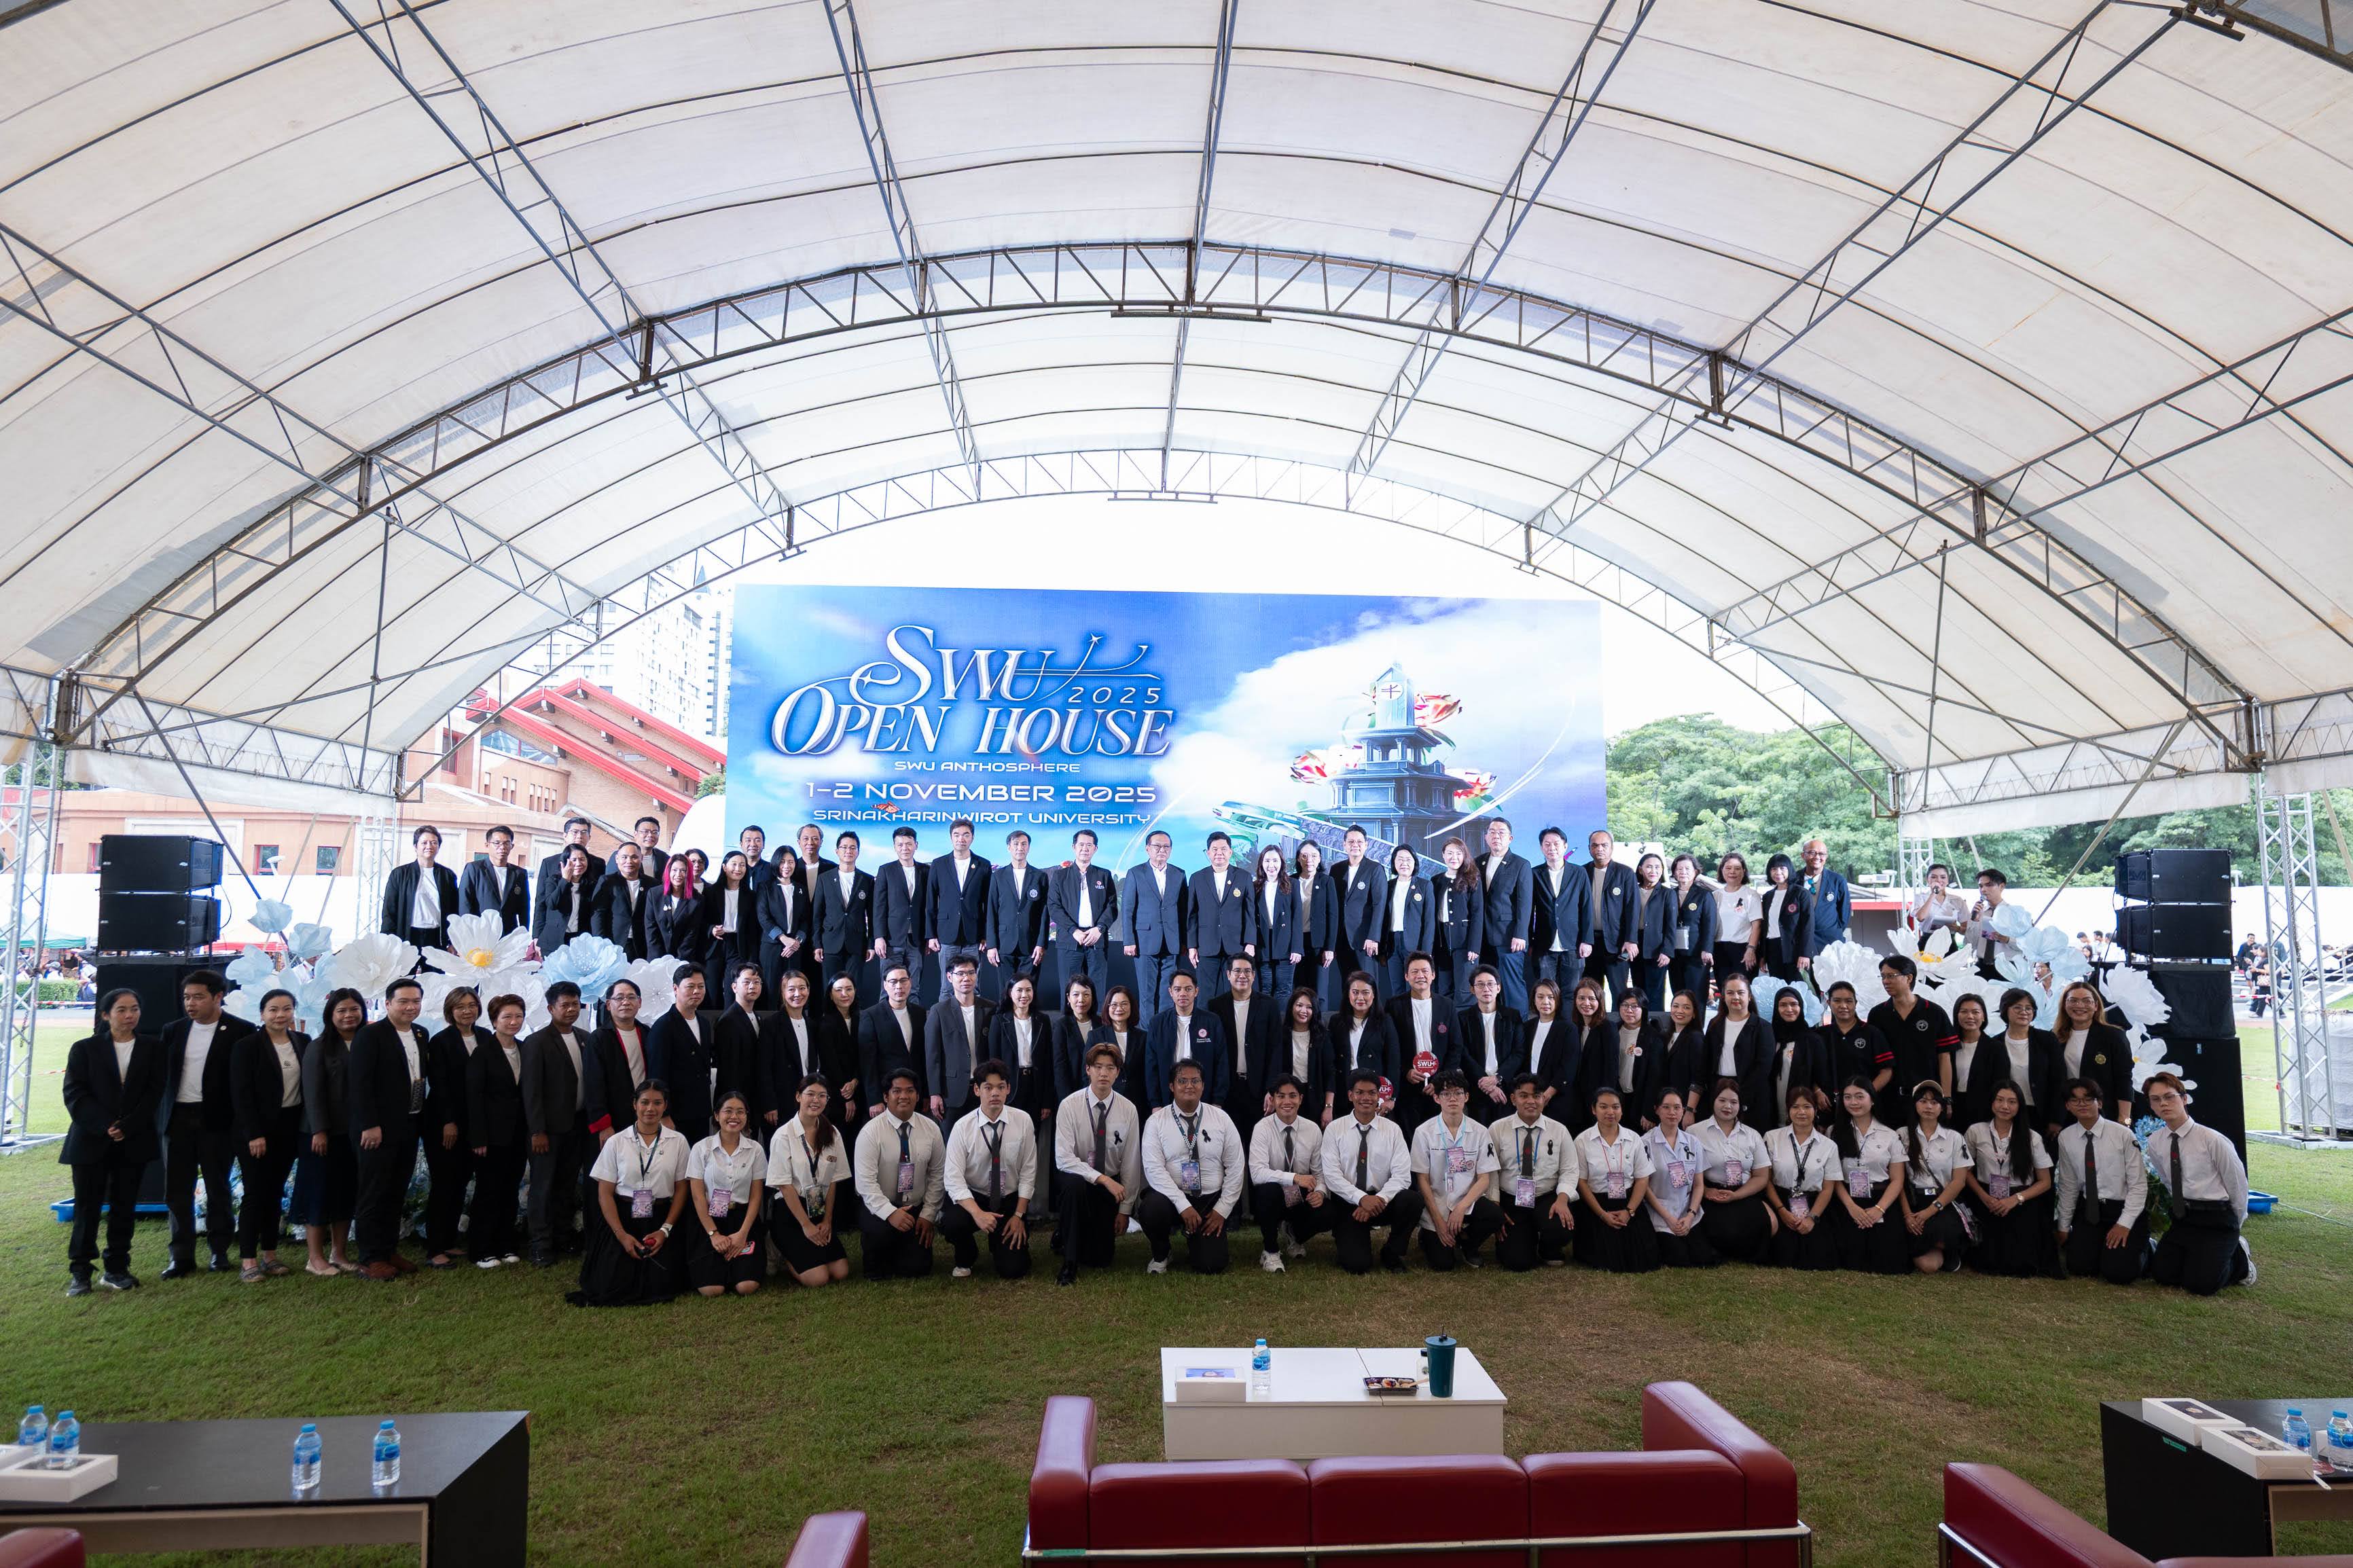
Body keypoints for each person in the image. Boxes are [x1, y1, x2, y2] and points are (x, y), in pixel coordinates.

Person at [60, 987, 163, 1294]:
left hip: (133, 1139)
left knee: (124, 1207)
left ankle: (117, 1268)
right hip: (90, 1140)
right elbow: (75, 1094)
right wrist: (105, 1125)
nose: (129, 1015)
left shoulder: (153, 1048)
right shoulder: (84, 1049)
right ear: (106, 1015)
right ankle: (81, 1272)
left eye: (134, 1009)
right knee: (87, 1207)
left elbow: (154, 1093)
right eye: (121, 1010)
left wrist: (127, 1126)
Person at [158, 969, 254, 1278]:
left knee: (218, 1187)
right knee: (177, 1191)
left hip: (217, 1122)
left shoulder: (241, 1031)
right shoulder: (173, 1030)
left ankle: (219, 1252)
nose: (191, 1003)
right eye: (187, 997)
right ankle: (180, 1257)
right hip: (177, 1120)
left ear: (218, 997)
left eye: (198, 997)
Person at [570, 1079, 689, 1307]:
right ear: (635, 1104)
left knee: (663, 1283)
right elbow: (604, 1194)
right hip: (623, 1218)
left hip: (661, 1217)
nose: (650, 1108)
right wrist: (621, 1235)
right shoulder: (616, 1142)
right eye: (645, 1102)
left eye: (657, 1103)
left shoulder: (678, 1142)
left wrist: (665, 1230)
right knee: (611, 1285)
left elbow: (682, 1188)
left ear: (665, 1106)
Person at [349, 977, 433, 1281]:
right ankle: (370, 1258)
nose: (411, 1007)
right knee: (374, 1193)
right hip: (378, 1129)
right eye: (403, 1002)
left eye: (416, 1001)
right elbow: (360, 1084)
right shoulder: (371, 1035)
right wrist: (370, 1125)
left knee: (396, 1191)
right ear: (387, 1004)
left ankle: (388, 1249)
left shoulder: (420, 1033)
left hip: (409, 1124)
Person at [2142, 1071, 2252, 1294]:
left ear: (2184, 1099)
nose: (2163, 1104)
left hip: (2217, 1219)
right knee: (2163, 1275)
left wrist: (2235, 1223)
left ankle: (2240, 1260)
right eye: (2156, 1099)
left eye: (2169, 1097)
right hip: (2184, 1218)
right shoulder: (2155, 1141)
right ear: (2151, 1105)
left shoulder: (2212, 1140)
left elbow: (2237, 1185)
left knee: (2202, 1285)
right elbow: (2168, 1181)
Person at [1137, 1059, 1245, 1275]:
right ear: (1171, 1086)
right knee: (1151, 1208)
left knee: (1211, 1265)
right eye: (1182, 1081)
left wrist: (1222, 1210)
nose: (1189, 1086)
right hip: (1172, 1199)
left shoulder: (1221, 1119)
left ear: (1203, 1086)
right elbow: (1154, 1169)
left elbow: (1236, 1166)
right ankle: (1162, 1252)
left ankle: (1200, 1242)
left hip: (1210, 1202)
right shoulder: (1156, 1122)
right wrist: (1182, 1205)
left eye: (1195, 1081)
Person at [230, 987, 306, 1281]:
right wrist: (254, 1134)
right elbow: (241, 1094)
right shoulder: (247, 1046)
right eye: (273, 1009)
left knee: (275, 1193)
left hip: (289, 1128)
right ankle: (248, 1261)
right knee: (255, 1193)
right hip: (256, 1131)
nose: (280, 1015)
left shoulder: (302, 1042)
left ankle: (270, 1256)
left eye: (287, 1009)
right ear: (262, 1014)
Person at [1050, 1041, 1143, 1286]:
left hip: (1109, 1186)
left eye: (1110, 1068)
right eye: (1098, 1067)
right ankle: (1069, 1263)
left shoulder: (1128, 1109)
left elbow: (1131, 1162)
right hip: (1078, 1180)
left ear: (1117, 1072)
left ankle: (1065, 1234)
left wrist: (1125, 1211)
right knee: (1074, 1187)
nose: (1104, 1073)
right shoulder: (1069, 1105)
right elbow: (1064, 1158)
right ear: (1088, 1070)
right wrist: (1101, 1179)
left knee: (1101, 1259)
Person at [1320, 1069, 1422, 1274]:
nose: (1366, 1098)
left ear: (1379, 1096)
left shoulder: (1393, 1130)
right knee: (1357, 1265)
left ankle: (1392, 1252)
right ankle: (1347, 1237)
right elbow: (1331, 1176)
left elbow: (1402, 1176)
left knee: (1412, 1200)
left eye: (1372, 1093)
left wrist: (1379, 1199)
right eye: (1360, 1093)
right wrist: (1361, 1199)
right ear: (1351, 1095)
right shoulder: (1335, 1129)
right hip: (1349, 1203)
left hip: (1381, 1201)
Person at [940, 1060, 1036, 1279]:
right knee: (953, 1223)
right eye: (988, 1087)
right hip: (975, 1197)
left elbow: (1029, 1172)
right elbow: (953, 1179)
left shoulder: (1023, 1121)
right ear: (977, 1090)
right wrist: (977, 1214)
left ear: (1008, 1089)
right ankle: (967, 1254)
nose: (995, 1093)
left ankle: (999, 1242)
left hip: (1008, 1199)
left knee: (1014, 1270)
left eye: (1001, 1087)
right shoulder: (962, 1127)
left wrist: (1018, 1215)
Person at [293, 987, 365, 1276]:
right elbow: (312, 1093)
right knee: (319, 1193)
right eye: (342, 1010)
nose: (349, 1015)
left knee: (346, 1193)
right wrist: (319, 1131)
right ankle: (315, 1257)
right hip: (322, 1134)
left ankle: (339, 1253)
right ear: (330, 1015)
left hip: (355, 1134)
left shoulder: (367, 1042)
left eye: (354, 1009)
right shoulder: (319, 1047)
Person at [520, 980, 591, 1266]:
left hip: (577, 1126)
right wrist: (537, 1130)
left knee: (566, 1185)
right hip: (547, 1131)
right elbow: (531, 1091)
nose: (571, 1009)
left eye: (575, 1004)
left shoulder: (585, 1037)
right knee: (543, 1187)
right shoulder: (537, 1042)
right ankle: (540, 1244)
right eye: (565, 1005)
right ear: (551, 1008)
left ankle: (563, 1236)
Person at [2051, 1077, 2148, 1286]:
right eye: (2075, 1100)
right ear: (2068, 1106)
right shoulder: (2066, 1137)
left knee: (2119, 1273)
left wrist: (2124, 1224)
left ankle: (2146, 1248)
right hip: (2090, 1211)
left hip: (2122, 1209)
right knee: (2080, 1268)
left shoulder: (2123, 1134)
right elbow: (2069, 1185)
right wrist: (2064, 1226)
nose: (2082, 1104)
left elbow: (2139, 1186)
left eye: (2088, 1099)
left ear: (2100, 1103)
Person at [852, 1067, 946, 1280]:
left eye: (910, 1091)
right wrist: (891, 1213)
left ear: (917, 1096)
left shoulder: (931, 1129)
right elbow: (865, 1184)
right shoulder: (870, 1132)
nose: (904, 1096)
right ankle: (877, 1250)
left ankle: (903, 1249)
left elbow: (938, 1175)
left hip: (915, 1206)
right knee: (878, 1267)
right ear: (886, 1097)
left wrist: (928, 1215)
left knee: (917, 1269)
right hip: (878, 1206)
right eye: (897, 1091)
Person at [423, 987, 489, 1268]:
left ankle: (449, 1241)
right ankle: (435, 1248)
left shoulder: (486, 1037)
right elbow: (439, 1084)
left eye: (472, 1005)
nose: (467, 1011)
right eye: (460, 1006)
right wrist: (448, 1122)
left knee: (460, 1182)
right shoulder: (441, 1041)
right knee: (444, 1184)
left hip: (474, 1123)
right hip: (444, 1123)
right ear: (450, 1010)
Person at [1410, 1070, 1503, 1269]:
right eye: (1446, 1094)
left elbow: (1484, 1179)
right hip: (1438, 1202)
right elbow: (1422, 1180)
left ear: (1466, 1097)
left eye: (1458, 1093)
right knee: (1443, 1265)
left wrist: (1461, 1208)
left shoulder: (1480, 1131)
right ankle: (1427, 1235)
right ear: (1436, 1098)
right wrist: (1438, 1221)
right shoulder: (1423, 1132)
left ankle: (1468, 1244)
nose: (1453, 1099)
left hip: (1467, 1200)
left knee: (1495, 1215)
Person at [1962, 1081, 2056, 1277]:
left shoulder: (2032, 1137)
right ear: (1992, 1102)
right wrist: (1984, 1197)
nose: (2005, 1106)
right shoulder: (1975, 1131)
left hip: (2021, 1201)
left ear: (2020, 1105)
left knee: (2019, 1265)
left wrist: (2015, 1200)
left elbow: (2045, 1182)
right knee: (1986, 1261)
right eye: (2000, 1100)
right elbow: (1965, 1171)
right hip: (1986, 1199)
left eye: (2012, 1102)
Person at [767, 1076, 852, 1287]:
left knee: (840, 1272)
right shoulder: (783, 1136)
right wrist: (806, 1226)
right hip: (791, 1210)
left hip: (818, 1208)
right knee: (818, 1278)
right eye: (810, 1094)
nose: (816, 1100)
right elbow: (785, 1186)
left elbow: (833, 1181)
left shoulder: (833, 1133)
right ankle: (780, 1252)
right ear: (798, 1097)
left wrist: (827, 1221)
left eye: (822, 1096)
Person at [465, 993, 531, 1269]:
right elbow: (474, 1098)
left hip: (518, 1134)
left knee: (510, 1190)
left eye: (518, 1016)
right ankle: (482, 1249)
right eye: (507, 1017)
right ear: (494, 1021)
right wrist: (478, 1137)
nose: (513, 1022)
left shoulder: (526, 1049)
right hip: (491, 1136)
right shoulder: (483, 1053)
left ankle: (506, 1244)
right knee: (489, 1191)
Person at [684, 1089, 768, 1296]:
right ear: (716, 1115)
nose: (734, 1117)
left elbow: (756, 1197)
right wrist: (714, 1235)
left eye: (740, 1112)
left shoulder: (755, 1150)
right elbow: (697, 1196)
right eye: (728, 1111)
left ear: (746, 1116)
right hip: (709, 1219)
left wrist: (743, 1234)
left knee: (747, 1286)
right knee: (712, 1290)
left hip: (743, 1220)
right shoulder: (701, 1148)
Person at [1488, 1074, 1574, 1270]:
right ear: (1513, 1099)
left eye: (1536, 1096)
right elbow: (1491, 1170)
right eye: (1524, 1096)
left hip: (1546, 1197)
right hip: (1511, 1199)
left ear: (1544, 1098)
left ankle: (1548, 1248)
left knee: (1560, 1227)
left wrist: (1562, 1200)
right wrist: (1495, 1206)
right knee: (1518, 1263)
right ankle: (1524, 1239)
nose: (1531, 1101)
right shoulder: (1497, 1129)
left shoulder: (1559, 1130)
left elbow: (1570, 1169)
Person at [1825, 1077, 1909, 1275]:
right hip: (1847, 1199)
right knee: (1850, 1255)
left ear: (1872, 1100)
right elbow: (1833, 1177)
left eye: (1859, 1096)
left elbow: (1897, 1180)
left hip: (1881, 1199)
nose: (1853, 1102)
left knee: (1889, 1260)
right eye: (1847, 1097)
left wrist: (1879, 1209)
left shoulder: (1890, 1135)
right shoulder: (1834, 1132)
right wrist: (1851, 1207)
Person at [1248, 1075, 1331, 1271]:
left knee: (1329, 1212)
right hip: (1273, 1196)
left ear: (1301, 1099)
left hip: (1300, 1196)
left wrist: (1320, 1192)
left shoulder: (1312, 1129)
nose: (1287, 1102)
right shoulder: (1262, 1128)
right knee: (1268, 1192)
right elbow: (1257, 1174)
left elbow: (1320, 1172)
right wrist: (1294, 1178)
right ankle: (1270, 1251)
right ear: (1272, 1100)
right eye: (1281, 1096)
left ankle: (1294, 1235)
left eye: (1292, 1096)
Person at [1571, 1085, 1657, 1272]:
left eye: (1615, 1107)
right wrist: (1602, 1214)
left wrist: (1629, 1211)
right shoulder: (1582, 1141)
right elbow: (1581, 1182)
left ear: (1621, 1110)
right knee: (1607, 1255)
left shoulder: (1634, 1138)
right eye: (1604, 1107)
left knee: (1642, 1256)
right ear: (1594, 1110)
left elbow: (1642, 1179)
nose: (1610, 1112)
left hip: (1629, 1202)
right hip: (1596, 1203)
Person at [1693, 1078, 1774, 1264]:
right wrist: (1706, 1191)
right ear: (1713, 1101)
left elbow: (1762, 1176)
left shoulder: (1753, 1135)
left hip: (1743, 1192)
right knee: (1721, 1229)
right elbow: (1688, 1172)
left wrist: (1737, 1195)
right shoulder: (1695, 1132)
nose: (1727, 1106)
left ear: (1740, 1105)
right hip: (1711, 1193)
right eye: (1722, 1100)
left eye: (1733, 1102)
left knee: (1769, 1224)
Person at [1868, 956, 1955, 1120]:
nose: (1886, 981)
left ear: (1909, 978)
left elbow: (1944, 1057)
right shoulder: (1878, 1014)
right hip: (1889, 1099)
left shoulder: (1934, 1012)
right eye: (1883, 976)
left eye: (1891, 976)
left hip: (1927, 1098)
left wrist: (1947, 1097)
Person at [1899, 1082, 1972, 1275]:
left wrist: (1928, 1212)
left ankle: (1948, 1249)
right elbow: (1897, 1180)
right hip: (1913, 1200)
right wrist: (1908, 1215)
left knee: (1944, 1232)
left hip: (1943, 1201)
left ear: (1942, 1107)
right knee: (1928, 1265)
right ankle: (1935, 1249)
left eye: (1934, 1102)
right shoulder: (1902, 1135)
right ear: (1915, 1104)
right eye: (1923, 1101)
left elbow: (1959, 1181)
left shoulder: (1954, 1138)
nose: (1929, 1107)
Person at [1763, 1085, 1840, 1270]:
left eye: (1807, 1107)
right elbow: (1766, 1180)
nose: (1801, 1112)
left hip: (1814, 1206)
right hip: (1780, 1202)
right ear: (1788, 1110)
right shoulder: (1772, 1138)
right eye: (1795, 1107)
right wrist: (1782, 1211)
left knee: (1820, 1257)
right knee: (1780, 1255)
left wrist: (1812, 1218)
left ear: (1816, 1110)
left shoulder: (1829, 1146)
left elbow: (1828, 1188)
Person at [1642, 1087, 1718, 1268]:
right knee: (1679, 1258)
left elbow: (1699, 1185)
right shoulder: (1645, 1143)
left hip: (1687, 1210)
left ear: (1683, 1111)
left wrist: (1691, 1215)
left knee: (1704, 1258)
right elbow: (1644, 1188)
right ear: (1657, 1110)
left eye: (1677, 1107)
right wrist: (1669, 1218)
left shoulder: (1693, 1142)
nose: (1672, 1112)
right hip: (1659, 1212)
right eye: (1666, 1107)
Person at [1121, 830, 1189, 1024]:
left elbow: (1183, 910)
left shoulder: (1179, 874)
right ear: (1147, 849)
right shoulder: (1136, 873)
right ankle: (1147, 1034)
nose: (1162, 850)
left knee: (1169, 992)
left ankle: (1164, 1031)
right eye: (1157, 846)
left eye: (1166, 847)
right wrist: (1129, 940)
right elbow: (1127, 909)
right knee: (1147, 993)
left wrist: (1185, 942)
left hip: (1172, 942)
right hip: (1144, 942)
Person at [1386, 950, 1456, 1133]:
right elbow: (1390, 1048)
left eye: (1425, 971)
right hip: (1407, 1086)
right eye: (1415, 972)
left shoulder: (1447, 1005)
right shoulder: (1394, 1006)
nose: (1420, 976)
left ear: (1433, 975)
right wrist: (1405, 1071)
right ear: (1406, 976)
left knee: (1438, 1138)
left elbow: (1455, 1047)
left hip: (1439, 1087)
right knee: (1410, 1138)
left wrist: (1441, 1081)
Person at [927, 818, 992, 1002]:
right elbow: (931, 902)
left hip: (974, 936)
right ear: (951, 837)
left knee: (972, 986)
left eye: (966, 835)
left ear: (972, 838)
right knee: (947, 987)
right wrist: (931, 935)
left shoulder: (983, 865)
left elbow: (988, 904)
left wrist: (986, 935)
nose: (961, 839)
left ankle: (972, 1020)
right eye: (956, 835)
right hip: (946, 935)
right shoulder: (939, 864)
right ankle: (945, 1021)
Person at [1186, 831, 1257, 1001]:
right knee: (1205, 996)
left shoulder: (1243, 877)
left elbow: (1250, 913)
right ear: (1208, 853)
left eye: (1224, 849)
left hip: (1236, 945)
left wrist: (1250, 942)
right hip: (1206, 945)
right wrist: (1192, 946)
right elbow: (1192, 915)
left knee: (1235, 994)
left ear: (1230, 852)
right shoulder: (1197, 878)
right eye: (1215, 849)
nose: (1219, 853)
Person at [2052, 981, 2133, 1130]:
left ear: (2096, 1006)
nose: (2080, 1005)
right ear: (2064, 1005)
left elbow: (2124, 1079)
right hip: (2067, 1116)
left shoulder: (2114, 1036)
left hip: (2105, 1114)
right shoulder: (2055, 1038)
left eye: (2087, 1001)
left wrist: (2125, 1119)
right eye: (2073, 1001)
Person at [1448, 963, 1523, 1122]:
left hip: (1506, 1087)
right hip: (1477, 1088)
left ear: (1499, 988)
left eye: (1491, 984)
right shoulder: (1463, 1018)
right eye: (1480, 985)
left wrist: (1497, 1078)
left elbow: (1519, 1053)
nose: (1486, 989)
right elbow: (1463, 1054)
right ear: (1472, 990)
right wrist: (1486, 1084)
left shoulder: (1512, 1016)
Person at [1049, 829, 1119, 1000]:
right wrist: (1074, 931)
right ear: (1074, 847)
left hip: (1096, 940)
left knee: (1097, 992)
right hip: (1069, 941)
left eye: (1089, 845)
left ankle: (1097, 1019)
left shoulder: (1104, 875)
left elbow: (1112, 906)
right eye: (1081, 845)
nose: (1085, 849)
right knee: (1070, 992)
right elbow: (1054, 907)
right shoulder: (1060, 876)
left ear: (1095, 849)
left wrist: (1099, 929)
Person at [926, 953, 996, 1125]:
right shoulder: (939, 1011)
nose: (967, 978)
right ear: (950, 977)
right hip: (952, 1093)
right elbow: (933, 1056)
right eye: (961, 973)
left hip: (983, 1089)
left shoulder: (990, 1009)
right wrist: (934, 1093)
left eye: (971, 973)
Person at [1146, 968, 1228, 1110]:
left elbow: (1221, 1063)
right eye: (1177, 989)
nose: (1183, 994)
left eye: (1188, 989)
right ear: (1171, 992)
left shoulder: (1212, 1021)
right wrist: (1155, 1104)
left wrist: (1218, 1101)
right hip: (1168, 1098)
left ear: (1196, 992)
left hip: (1204, 1097)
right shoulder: (1157, 1023)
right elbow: (1151, 1067)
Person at [647, 970, 716, 1142]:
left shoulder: (704, 1023)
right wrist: (664, 1114)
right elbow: (657, 1075)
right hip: (676, 1113)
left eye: (701, 986)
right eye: (690, 986)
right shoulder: (663, 1026)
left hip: (701, 1110)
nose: (697, 991)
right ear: (675, 989)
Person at [1211, 954, 1275, 1133]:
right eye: (1237, 971)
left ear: (1254, 976)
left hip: (1258, 1090)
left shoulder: (1269, 1006)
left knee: (1257, 1142)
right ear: (1228, 975)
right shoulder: (1215, 1007)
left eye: (1247, 971)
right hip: (1228, 1089)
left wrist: (1272, 1090)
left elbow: (1275, 1051)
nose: (1242, 975)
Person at [1473, 817, 1532, 1011]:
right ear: (1486, 837)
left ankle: (1519, 1025)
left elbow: (1525, 903)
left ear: (1510, 838)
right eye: (1492, 832)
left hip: (1508, 936)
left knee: (1512, 986)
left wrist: (1521, 934)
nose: (1496, 836)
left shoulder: (1521, 864)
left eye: (1501, 833)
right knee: (1487, 985)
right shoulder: (1478, 862)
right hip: (1483, 936)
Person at [1577, 988, 1659, 1127]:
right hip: (1615, 1097)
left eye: (1634, 1006)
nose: (1629, 1010)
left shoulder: (1653, 1036)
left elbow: (1655, 1077)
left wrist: (1648, 1111)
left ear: (1643, 1009)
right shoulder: (1611, 1030)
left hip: (1639, 1101)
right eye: (1625, 1005)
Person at [986, 829, 1050, 999]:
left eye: (1024, 844)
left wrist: (1041, 944)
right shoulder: (998, 876)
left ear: (1029, 847)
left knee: (1028, 992)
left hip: (1031, 945)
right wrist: (991, 945)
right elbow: (991, 911)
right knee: (1006, 993)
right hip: (1004, 944)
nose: (1020, 848)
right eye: (1016, 844)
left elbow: (1045, 913)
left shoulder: (1040, 877)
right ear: (1009, 847)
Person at [1982, 987, 2059, 1129]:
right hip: (2005, 1111)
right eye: (2017, 1007)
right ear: (2005, 1010)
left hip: (2041, 1112)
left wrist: (2056, 1119)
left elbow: (2058, 1080)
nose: (2024, 1012)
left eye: (2029, 1008)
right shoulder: (1994, 1044)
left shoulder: (2047, 1040)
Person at [586, 977, 652, 1140]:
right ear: (609, 1005)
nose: (626, 1002)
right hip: (614, 1118)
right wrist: (603, 1125)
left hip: (646, 1113)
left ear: (639, 1002)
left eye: (631, 997)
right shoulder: (599, 1038)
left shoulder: (647, 1033)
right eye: (619, 998)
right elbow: (594, 1084)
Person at [856, 965, 926, 1116]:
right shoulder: (871, 1015)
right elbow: (868, 1062)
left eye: (903, 981)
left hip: (915, 1093)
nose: (899, 986)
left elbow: (923, 1057)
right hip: (886, 1094)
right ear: (885, 985)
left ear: (910, 983)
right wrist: (874, 1099)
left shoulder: (920, 1013)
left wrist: (925, 1093)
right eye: (893, 982)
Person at [816, 830, 877, 1004]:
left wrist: (871, 944)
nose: (848, 851)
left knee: (853, 989)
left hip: (856, 943)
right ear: (837, 851)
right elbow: (817, 915)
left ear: (858, 852)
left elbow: (872, 916)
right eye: (844, 847)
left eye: (853, 848)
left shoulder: (866, 880)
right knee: (830, 989)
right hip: (830, 942)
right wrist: (817, 944)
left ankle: (853, 1020)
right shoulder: (825, 879)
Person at [380, 824, 461, 951]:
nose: (429, 846)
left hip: (437, 938)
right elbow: (389, 910)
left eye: (434, 843)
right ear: (415, 846)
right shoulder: (400, 874)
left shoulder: (447, 876)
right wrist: (387, 939)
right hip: (407, 936)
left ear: (438, 847)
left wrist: (454, 941)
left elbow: (454, 911)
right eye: (424, 843)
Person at [1530, 826, 1591, 995]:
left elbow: (1586, 907)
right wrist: (1529, 942)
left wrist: (1587, 940)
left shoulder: (1579, 873)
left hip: (1573, 944)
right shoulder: (1534, 874)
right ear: (1541, 848)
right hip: (1544, 944)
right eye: (1547, 844)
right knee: (1545, 992)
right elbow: (1528, 910)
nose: (1552, 848)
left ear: (1565, 846)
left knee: (1572, 993)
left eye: (1556, 844)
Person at [987, 971, 1052, 1126]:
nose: (1024, 995)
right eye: (1019, 990)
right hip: (1009, 1086)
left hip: (1035, 1086)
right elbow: (993, 1060)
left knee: (1032, 1132)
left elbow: (1048, 1061)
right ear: (1010, 993)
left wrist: (1047, 1100)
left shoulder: (1043, 1020)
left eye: (1028, 990)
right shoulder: (998, 1020)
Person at [873, 825, 929, 1000]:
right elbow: (879, 906)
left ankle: (912, 1017)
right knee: (889, 988)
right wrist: (879, 937)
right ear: (895, 847)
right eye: (900, 845)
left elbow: (929, 907)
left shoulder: (926, 871)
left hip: (917, 940)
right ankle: (886, 1018)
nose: (905, 848)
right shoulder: (886, 870)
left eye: (909, 844)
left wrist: (929, 936)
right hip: (892, 939)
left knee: (913, 987)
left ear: (916, 845)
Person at [1332, 825, 1387, 1000]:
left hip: (1365, 940)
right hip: (1342, 938)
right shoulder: (1336, 869)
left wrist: (1374, 937)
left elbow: (1379, 905)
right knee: (1347, 985)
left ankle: (1372, 1017)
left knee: (1367, 985)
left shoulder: (1375, 869)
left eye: (1359, 842)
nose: (1355, 845)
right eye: (1351, 842)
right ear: (1344, 845)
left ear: (1366, 845)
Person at [1815, 982, 1890, 1106]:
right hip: (1829, 1104)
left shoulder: (1872, 1033)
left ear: (1856, 1003)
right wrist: (1817, 1092)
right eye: (1837, 1001)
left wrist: (1868, 1094)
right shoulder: (1820, 1035)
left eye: (1849, 1001)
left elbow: (1886, 1070)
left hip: (1863, 1105)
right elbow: (1809, 1069)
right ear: (1829, 1003)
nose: (1843, 1006)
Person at [1329, 970, 1396, 1108]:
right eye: (1355, 992)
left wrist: (1391, 1098)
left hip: (1375, 1090)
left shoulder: (1385, 1021)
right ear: (1348, 994)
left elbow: (1394, 1062)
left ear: (1374, 995)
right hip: (1344, 1089)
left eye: (1365, 993)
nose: (1360, 998)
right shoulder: (1336, 1021)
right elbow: (1331, 1062)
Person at [700, 852, 761, 1001]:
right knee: (711, 990)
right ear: (724, 867)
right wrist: (711, 929)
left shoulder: (751, 896)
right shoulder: (710, 892)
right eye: (734, 864)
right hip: (715, 944)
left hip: (738, 946)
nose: (738, 869)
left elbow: (754, 928)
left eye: (742, 865)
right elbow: (700, 921)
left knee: (732, 990)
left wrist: (752, 956)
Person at [1375, 843, 1433, 1000]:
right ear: (1394, 862)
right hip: (1392, 944)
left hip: (1415, 945)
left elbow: (1429, 922)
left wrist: (1426, 952)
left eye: (1408, 859)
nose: (1404, 863)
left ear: (1415, 862)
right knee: (1397, 988)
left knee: (1415, 987)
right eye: (1400, 859)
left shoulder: (1425, 885)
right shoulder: (1388, 886)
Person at [713, 964, 766, 1127]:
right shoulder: (728, 1021)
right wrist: (736, 1105)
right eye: (747, 982)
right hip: (736, 1102)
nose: (752, 986)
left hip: (754, 1097)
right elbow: (729, 1070)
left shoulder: (756, 1017)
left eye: (757, 982)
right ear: (734, 987)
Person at [1272, 985, 1334, 1125]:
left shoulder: (1322, 1037)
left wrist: (1328, 1107)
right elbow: (1274, 1070)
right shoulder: (1281, 1035)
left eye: (1309, 1007)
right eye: (1299, 1005)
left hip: (1315, 1100)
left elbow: (1330, 1074)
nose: (1303, 1011)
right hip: (1287, 1098)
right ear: (1291, 1007)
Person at [755, 844, 810, 998]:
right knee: (771, 990)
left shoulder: (800, 889)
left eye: (791, 862)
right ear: (776, 863)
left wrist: (796, 941)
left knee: (793, 990)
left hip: (795, 948)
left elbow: (805, 919)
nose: (787, 866)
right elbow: (763, 917)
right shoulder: (766, 887)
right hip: (772, 946)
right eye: (783, 862)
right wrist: (783, 938)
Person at [1522, 977, 1581, 1120]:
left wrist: (1548, 1094)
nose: (1545, 1002)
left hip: (1556, 1098)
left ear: (1558, 1000)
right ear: (1534, 1000)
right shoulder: (1527, 1027)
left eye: (1551, 997)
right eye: (1540, 997)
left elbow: (1569, 1066)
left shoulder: (1568, 1028)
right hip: (1530, 1096)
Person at [1433, 835, 1482, 1004]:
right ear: (1443, 855)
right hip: (1442, 943)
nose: (1454, 858)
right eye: (1450, 853)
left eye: (1459, 853)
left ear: (1464, 855)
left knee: (1465, 990)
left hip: (1464, 943)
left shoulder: (1473, 880)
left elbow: (1477, 914)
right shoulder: (1436, 881)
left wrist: (1474, 946)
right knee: (1443, 990)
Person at [1291, 837, 1338, 1009]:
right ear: (1298, 858)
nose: (1308, 860)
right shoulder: (1290, 881)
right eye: (1304, 856)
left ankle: (1321, 1025)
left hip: (1319, 945)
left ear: (1319, 858)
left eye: (1313, 856)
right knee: (1298, 991)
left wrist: (1330, 948)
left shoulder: (1326, 881)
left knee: (1319, 993)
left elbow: (1333, 916)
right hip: (1296, 945)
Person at [459, 824, 531, 934]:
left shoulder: (519, 874)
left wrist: (524, 933)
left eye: (507, 843)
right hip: (481, 932)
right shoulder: (474, 869)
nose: (502, 847)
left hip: (509, 933)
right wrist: (468, 932)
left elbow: (524, 907)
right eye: (497, 843)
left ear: (512, 846)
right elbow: (465, 902)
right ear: (487, 845)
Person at [1561, 979, 1611, 1134]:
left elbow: (1611, 1067)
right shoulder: (1573, 1027)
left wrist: (1605, 1100)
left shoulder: (1607, 1027)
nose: (1586, 1003)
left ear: (1599, 1001)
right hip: (1574, 1098)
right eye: (1581, 998)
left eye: (1591, 999)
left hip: (1597, 1098)